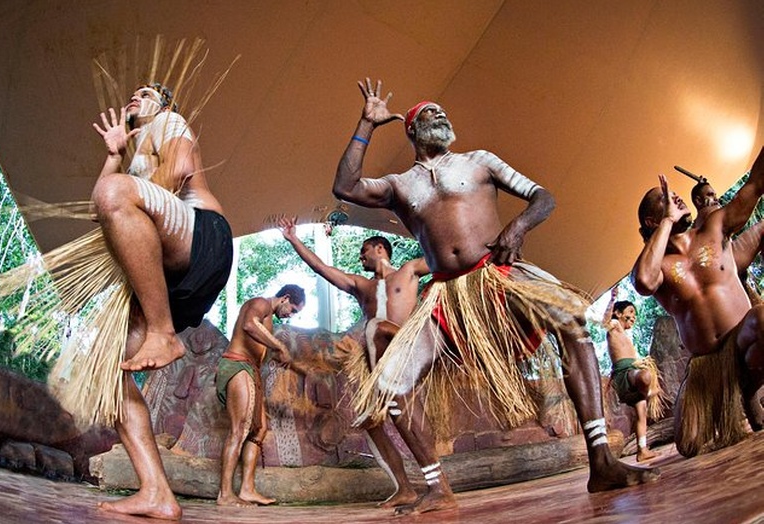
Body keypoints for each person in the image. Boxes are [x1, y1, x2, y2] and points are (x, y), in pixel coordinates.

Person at [332, 78, 657, 513]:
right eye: (430, 112)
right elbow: (346, 186)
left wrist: (518, 227)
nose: (441, 116)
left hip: (499, 276)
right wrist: (366, 124)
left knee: (571, 319)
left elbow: (543, 196)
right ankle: (436, 485)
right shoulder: (400, 185)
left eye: (443, 112)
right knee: (391, 382)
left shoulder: (480, 162)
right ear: (411, 129)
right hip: (447, 297)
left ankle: (600, 460)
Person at [91, 83, 233, 519]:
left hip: (202, 239)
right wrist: (115, 154)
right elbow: (100, 207)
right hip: (171, 279)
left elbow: (178, 169)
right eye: (133, 93)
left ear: (164, 104)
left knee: (115, 193)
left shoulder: (169, 121)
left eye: (147, 92)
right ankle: (157, 493)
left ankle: (162, 332)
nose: (136, 96)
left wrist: (124, 184)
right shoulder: (133, 156)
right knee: (111, 374)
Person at [279, 216, 429, 508]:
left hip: (407, 353)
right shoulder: (362, 286)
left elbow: (445, 259)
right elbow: (322, 269)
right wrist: (294, 240)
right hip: (378, 363)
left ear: (380, 249)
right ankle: (404, 487)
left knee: (407, 414)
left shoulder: (410, 271)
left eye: (364, 250)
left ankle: (436, 484)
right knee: (371, 422)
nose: (360, 256)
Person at [632, 147, 764, 457]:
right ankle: (727, 394)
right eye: (665, 199)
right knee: (689, 444)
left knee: (761, 319)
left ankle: (750, 390)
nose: (675, 199)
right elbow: (644, 283)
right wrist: (668, 221)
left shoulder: (714, 227)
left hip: (742, 344)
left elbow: (756, 185)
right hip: (706, 366)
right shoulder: (656, 265)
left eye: (675, 195)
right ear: (653, 221)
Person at [215, 284, 307, 507]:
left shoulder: (270, 322)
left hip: (251, 370)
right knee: (240, 428)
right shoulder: (260, 303)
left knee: (260, 428)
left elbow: (262, 352)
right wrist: (279, 346)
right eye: (292, 310)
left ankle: (247, 489)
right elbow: (248, 325)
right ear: (285, 298)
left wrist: (301, 369)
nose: (290, 316)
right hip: (237, 366)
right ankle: (225, 494)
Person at [602, 287, 663, 462]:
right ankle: (649, 391)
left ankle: (642, 450)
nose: (633, 316)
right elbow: (604, 322)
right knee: (645, 376)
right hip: (625, 373)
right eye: (630, 312)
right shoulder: (614, 325)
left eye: (635, 314)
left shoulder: (626, 335)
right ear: (618, 314)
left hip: (631, 374)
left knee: (641, 413)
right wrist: (612, 299)